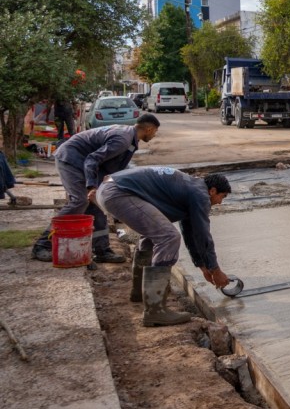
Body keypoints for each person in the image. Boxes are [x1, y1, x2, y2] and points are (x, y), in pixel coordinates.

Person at [94, 167, 233, 327]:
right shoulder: (201, 195)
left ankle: (139, 292)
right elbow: (203, 234)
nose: (220, 202)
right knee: (169, 237)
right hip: (119, 193)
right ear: (212, 190)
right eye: (222, 196)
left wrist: (202, 266)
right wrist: (215, 269)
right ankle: (155, 311)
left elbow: (190, 233)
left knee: (153, 236)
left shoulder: (191, 188)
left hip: (108, 189)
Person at [30, 115, 161, 263]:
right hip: (71, 159)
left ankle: (102, 250)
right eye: (155, 131)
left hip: (84, 163)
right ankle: (42, 245)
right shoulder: (123, 140)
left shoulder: (129, 138)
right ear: (149, 129)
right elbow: (92, 159)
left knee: (98, 203)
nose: (154, 135)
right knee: (80, 201)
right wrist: (91, 186)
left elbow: (113, 165)